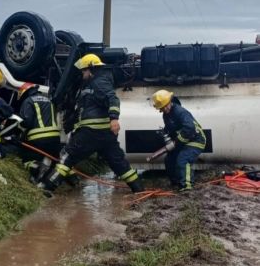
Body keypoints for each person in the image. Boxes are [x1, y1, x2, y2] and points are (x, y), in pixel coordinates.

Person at [42, 53, 144, 193]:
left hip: (90, 133)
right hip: (104, 135)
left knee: (67, 157)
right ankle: (139, 189)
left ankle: (47, 188)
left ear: (91, 69)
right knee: (119, 163)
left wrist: (114, 118)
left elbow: (113, 99)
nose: (82, 73)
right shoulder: (92, 84)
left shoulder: (99, 82)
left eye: (84, 70)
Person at [152, 89, 206, 191]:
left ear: (170, 101)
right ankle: (176, 182)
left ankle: (186, 186)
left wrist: (176, 142)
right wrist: (166, 133)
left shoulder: (180, 112)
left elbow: (189, 128)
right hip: (183, 142)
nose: (165, 109)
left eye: (166, 105)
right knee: (169, 159)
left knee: (183, 159)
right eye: (162, 108)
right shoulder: (166, 115)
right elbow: (171, 129)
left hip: (196, 140)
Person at [17, 82, 61, 183]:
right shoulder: (48, 100)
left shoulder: (28, 101)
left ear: (24, 93)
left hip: (38, 139)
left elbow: (27, 122)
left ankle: (36, 170)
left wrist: (19, 125)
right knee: (55, 160)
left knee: (26, 157)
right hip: (55, 138)